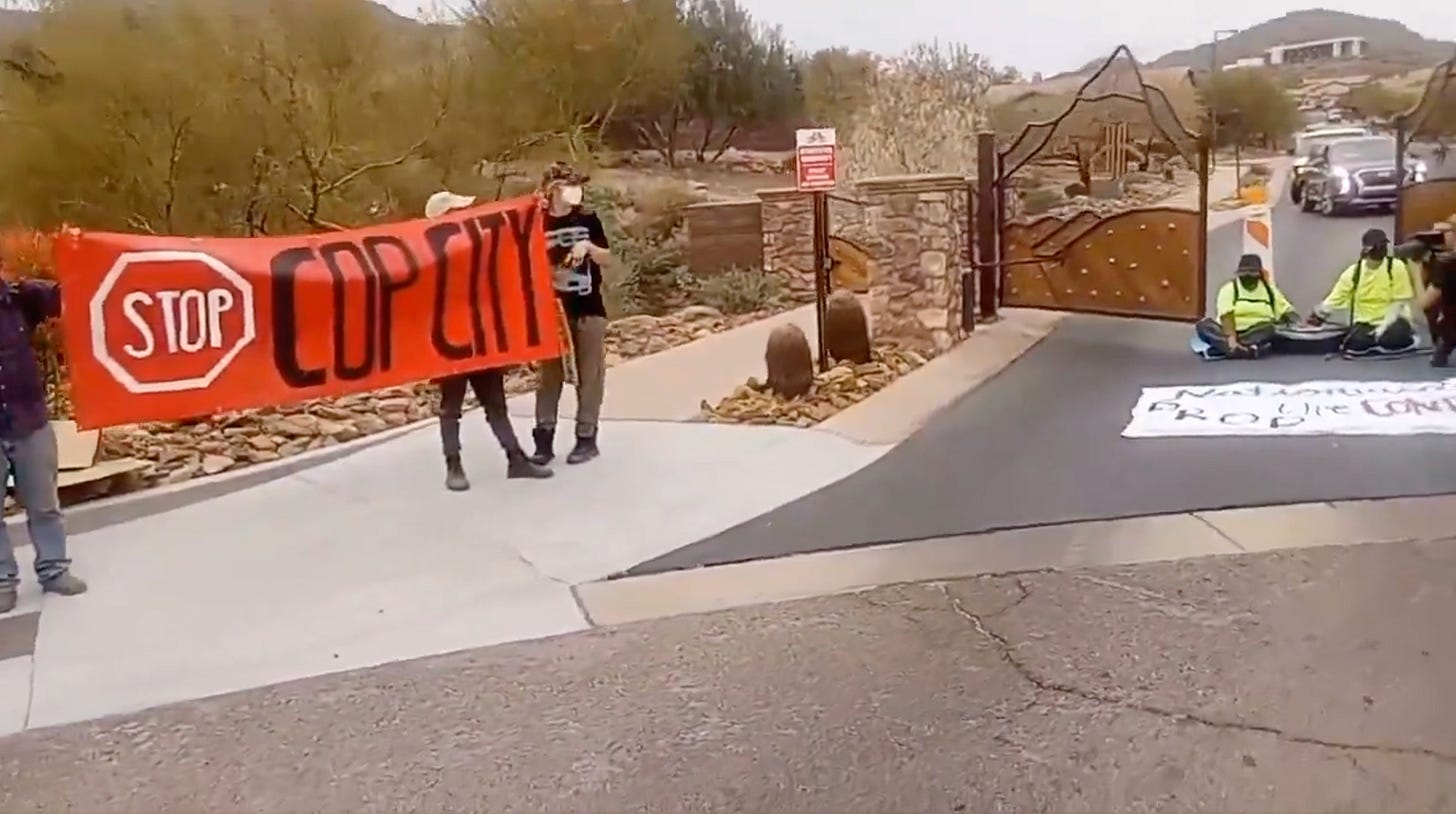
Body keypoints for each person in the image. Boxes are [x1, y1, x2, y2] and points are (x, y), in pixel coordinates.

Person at [424, 190, 552, 491]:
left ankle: (516, 459)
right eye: (457, 211)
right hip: (450, 342)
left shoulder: (476, 245)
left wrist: (533, 209)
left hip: (483, 338)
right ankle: (453, 465)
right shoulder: (428, 255)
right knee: (451, 407)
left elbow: (509, 238)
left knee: (496, 404)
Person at [0, 273, 87, 613]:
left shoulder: (20, 299)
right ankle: (3, 582)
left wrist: (78, 255)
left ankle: (54, 570)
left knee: (44, 504)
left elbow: (68, 296)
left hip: (29, 421)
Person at [531, 163, 609, 466]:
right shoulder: (536, 223)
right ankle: (543, 438)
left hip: (588, 307)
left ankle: (586, 438)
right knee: (548, 376)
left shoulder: (588, 219)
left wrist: (588, 247)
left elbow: (608, 257)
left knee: (590, 376)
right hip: (551, 311)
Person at [1308, 227, 1418, 354]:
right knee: (1355, 343)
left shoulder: (1396, 267)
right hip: (1365, 322)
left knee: (1392, 338)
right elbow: (1335, 299)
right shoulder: (1354, 272)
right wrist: (1316, 318)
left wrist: (1383, 327)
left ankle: (1402, 339)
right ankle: (1375, 342)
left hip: (1393, 320)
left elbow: (1399, 303)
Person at [1195, 253, 1300, 358]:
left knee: (1270, 328)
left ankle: (1225, 349)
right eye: (1245, 275)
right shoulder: (1229, 288)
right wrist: (1231, 338)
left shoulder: (1269, 290)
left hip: (1257, 332)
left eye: (1252, 275)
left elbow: (1285, 309)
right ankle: (1242, 349)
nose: (1248, 278)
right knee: (1204, 325)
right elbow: (1226, 315)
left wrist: (1295, 321)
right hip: (1229, 331)